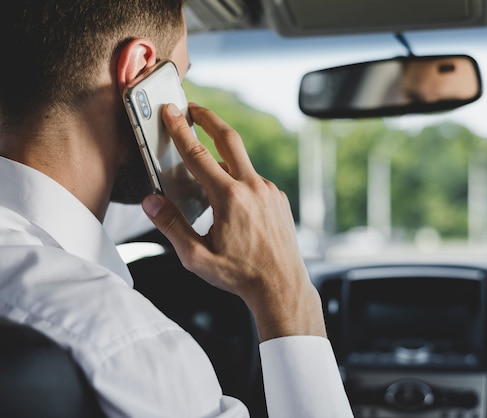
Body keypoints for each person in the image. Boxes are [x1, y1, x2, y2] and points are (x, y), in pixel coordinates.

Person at [0, 1, 353, 417]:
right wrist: (285, 291)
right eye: (179, 79)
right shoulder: (123, 343)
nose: (184, 106)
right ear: (138, 69)